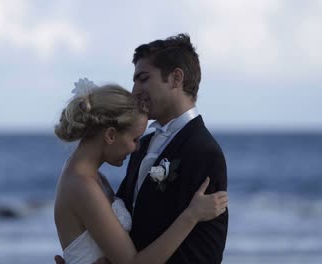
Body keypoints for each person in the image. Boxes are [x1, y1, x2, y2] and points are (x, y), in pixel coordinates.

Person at [54, 83, 228, 264]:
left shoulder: (92, 178)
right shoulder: (83, 186)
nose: (138, 147)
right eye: (134, 139)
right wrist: (192, 215)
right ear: (111, 135)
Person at [116, 33, 229, 263]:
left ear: (176, 78)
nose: (135, 90)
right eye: (135, 80)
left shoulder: (204, 152)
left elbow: (204, 253)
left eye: (143, 78)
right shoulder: (142, 144)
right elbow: (122, 221)